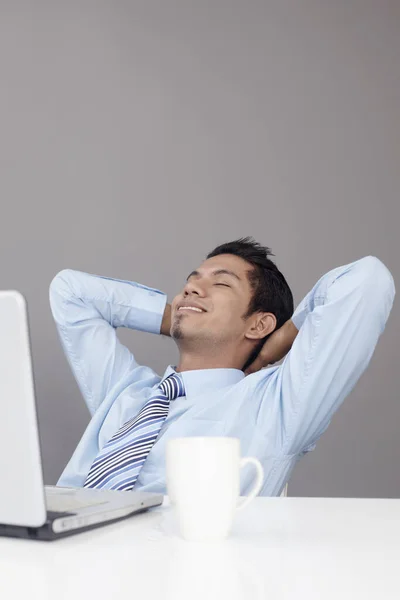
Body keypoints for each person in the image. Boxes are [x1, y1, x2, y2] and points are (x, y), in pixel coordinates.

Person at [49, 238, 395, 495]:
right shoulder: (125, 392)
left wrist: (276, 342)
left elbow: (367, 281)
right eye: (192, 280)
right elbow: (71, 292)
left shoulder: (277, 406)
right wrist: (182, 316)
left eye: (220, 283)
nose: (191, 288)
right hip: (58, 559)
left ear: (259, 324)